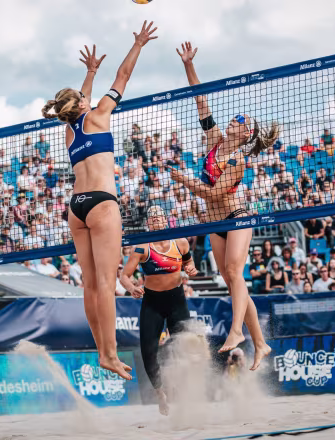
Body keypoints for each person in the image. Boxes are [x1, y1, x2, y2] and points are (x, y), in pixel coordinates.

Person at [40, 22, 157, 381]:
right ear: (81, 104)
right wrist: (138, 43)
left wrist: (89, 73)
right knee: (107, 284)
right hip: (103, 204)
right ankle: (108, 353)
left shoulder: (69, 130)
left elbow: (78, 99)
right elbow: (123, 74)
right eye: (83, 96)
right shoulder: (99, 115)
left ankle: (101, 350)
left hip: (77, 206)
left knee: (91, 285)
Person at [169, 41, 276, 370]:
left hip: (236, 216)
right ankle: (261, 343)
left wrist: (184, 180)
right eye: (235, 116)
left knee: (233, 272)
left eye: (241, 119)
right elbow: (201, 101)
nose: (234, 119)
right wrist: (188, 65)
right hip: (215, 222)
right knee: (232, 281)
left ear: (246, 134)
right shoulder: (216, 141)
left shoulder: (240, 159)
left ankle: (236, 333)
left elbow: (214, 194)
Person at [119, 206, 198, 415]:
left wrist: (191, 269)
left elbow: (191, 264)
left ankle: (183, 389)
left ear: (165, 220)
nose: (155, 220)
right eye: (152, 217)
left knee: (185, 347)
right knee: (148, 351)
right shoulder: (142, 247)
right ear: (148, 223)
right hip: (152, 302)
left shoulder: (180, 242)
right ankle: (160, 394)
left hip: (177, 300)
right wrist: (131, 288)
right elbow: (124, 276)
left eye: (159, 216)